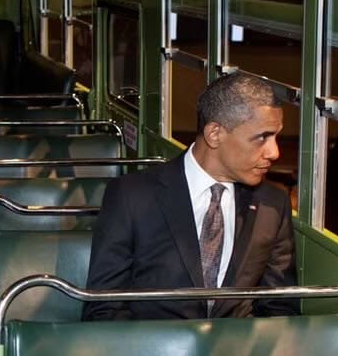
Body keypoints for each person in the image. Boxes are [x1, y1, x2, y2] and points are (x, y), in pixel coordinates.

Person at [83, 73, 299, 320]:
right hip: (152, 351)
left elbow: (280, 309)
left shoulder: (272, 204)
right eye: (262, 137)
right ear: (215, 134)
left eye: (276, 137)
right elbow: (103, 307)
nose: (275, 152)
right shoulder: (132, 196)